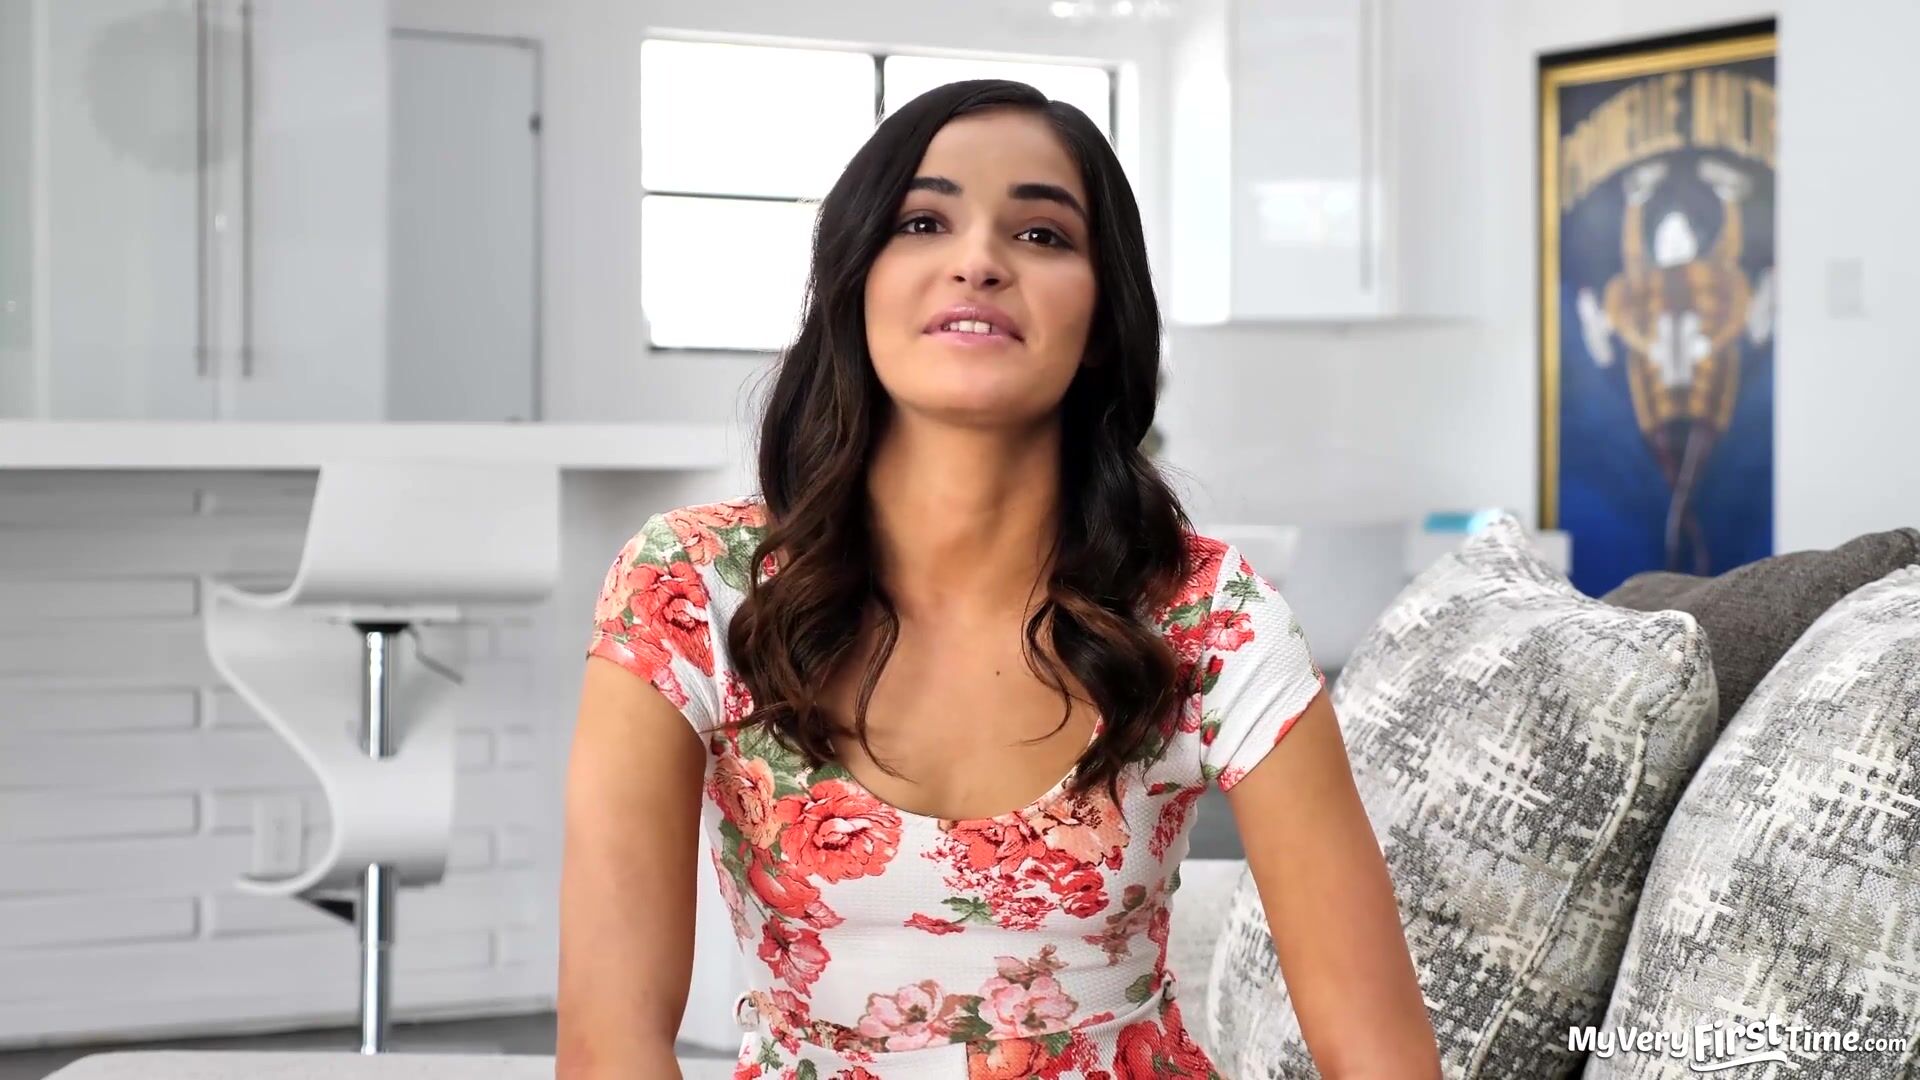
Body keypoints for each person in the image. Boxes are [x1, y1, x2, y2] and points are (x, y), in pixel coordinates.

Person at [556, 79, 1439, 1079]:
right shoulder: (688, 588)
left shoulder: (1209, 616)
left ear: (1102, 319)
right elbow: (609, 1043)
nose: (977, 261)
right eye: (923, 222)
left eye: (1041, 235)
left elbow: (1382, 1056)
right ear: (855, 282)